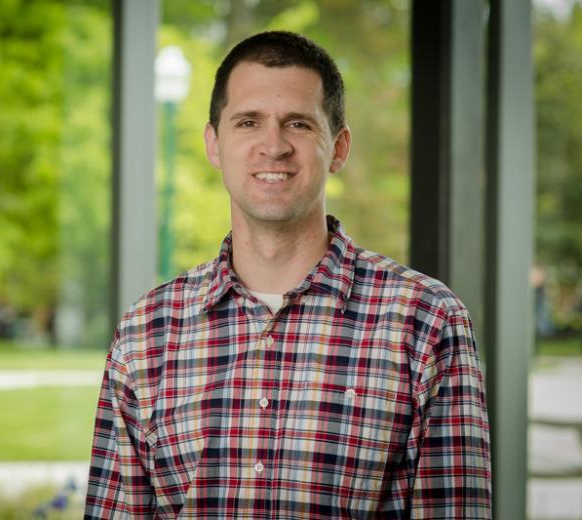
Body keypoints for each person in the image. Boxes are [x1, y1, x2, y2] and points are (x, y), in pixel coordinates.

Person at [85, 31, 491, 518]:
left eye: (297, 124)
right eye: (248, 121)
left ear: (338, 148)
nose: (273, 146)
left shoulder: (426, 321)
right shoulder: (147, 331)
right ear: (214, 144)